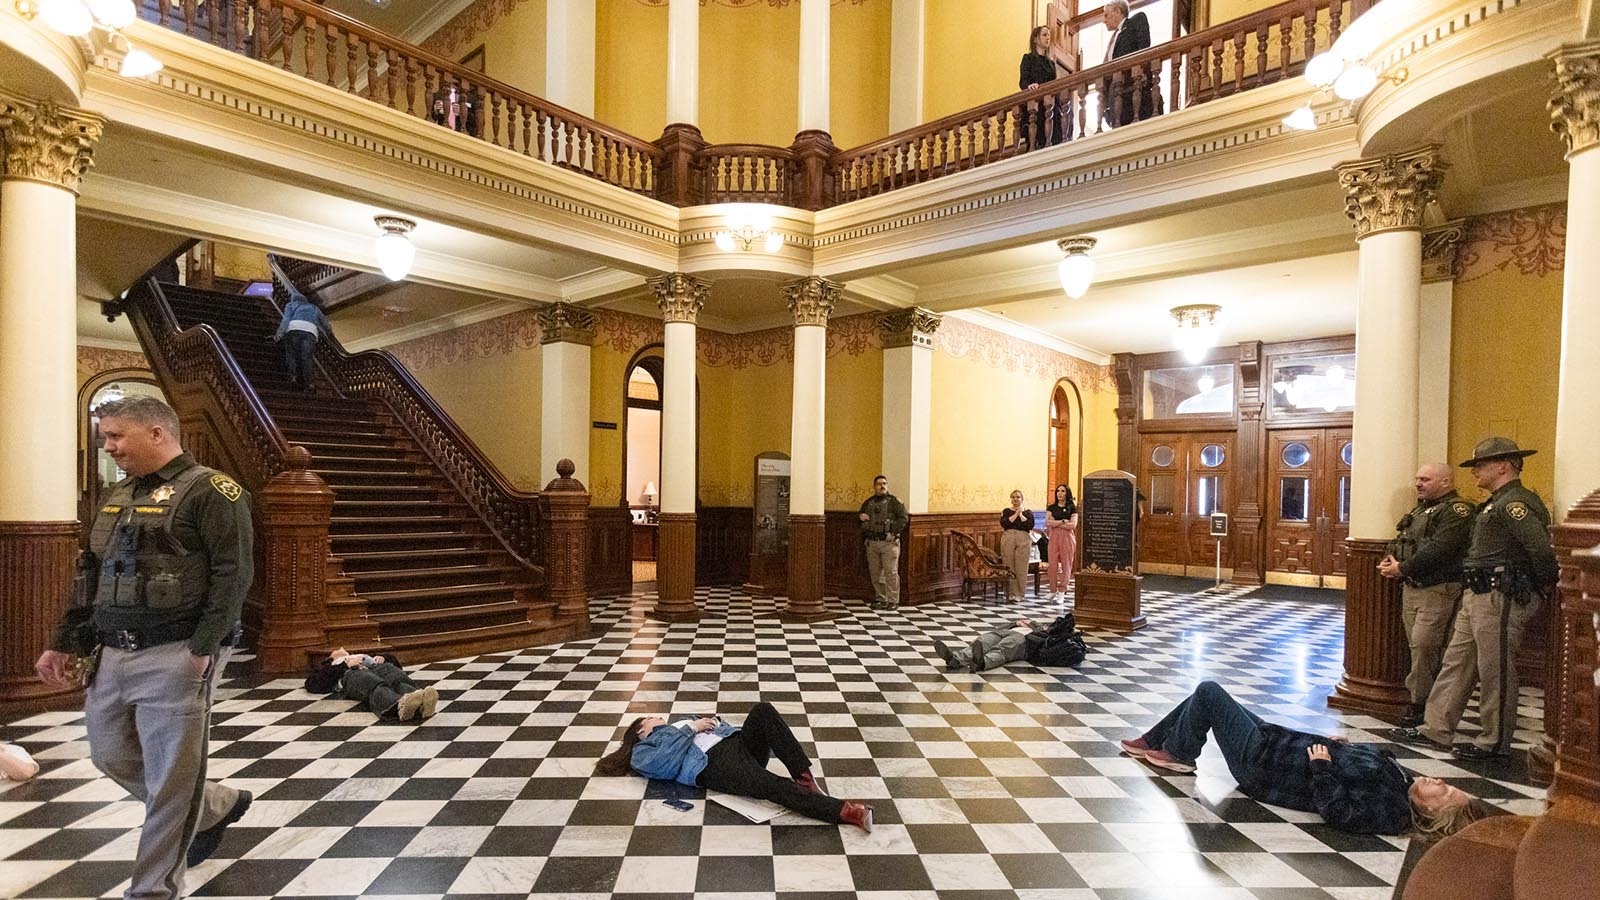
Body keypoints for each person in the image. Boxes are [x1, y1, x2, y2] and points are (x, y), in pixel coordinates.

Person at [34, 396, 255, 898]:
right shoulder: (119, 495)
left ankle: (154, 890)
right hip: (111, 652)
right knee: (109, 754)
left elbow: (233, 575)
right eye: (105, 437)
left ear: (157, 433)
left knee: (172, 780)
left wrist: (204, 648)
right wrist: (62, 642)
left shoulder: (213, 491)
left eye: (116, 436)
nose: (108, 447)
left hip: (176, 652)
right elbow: (89, 575)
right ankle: (215, 804)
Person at [1121, 681, 1486, 836]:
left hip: (1262, 764)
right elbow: (1360, 767)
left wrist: (1322, 766)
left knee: (1209, 692)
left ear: (1434, 815)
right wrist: (1339, 745)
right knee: (1209, 700)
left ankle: (1180, 753)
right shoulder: (1402, 785)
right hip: (1275, 742)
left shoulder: (1391, 810)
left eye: (1444, 792)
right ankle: (1156, 741)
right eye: (1446, 783)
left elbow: (1339, 812)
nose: (1439, 781)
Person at [1394, 437, 1558, 759]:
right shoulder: (1494, 502)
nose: (1475, 473)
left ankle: (1494, 742)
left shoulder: (1516, 503)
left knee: (1494, 670)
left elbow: (1541, 551)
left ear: (1503, 466)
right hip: (1478, 594)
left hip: (1501, 595)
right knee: (1456, 662)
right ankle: (1436, 728)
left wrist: (1542, 588)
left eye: (1480, 465)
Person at [593, 702, 875, 832]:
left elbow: (718, 729)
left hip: (735, 744)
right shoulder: (643, 750)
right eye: (651, 718)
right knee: (769, 786)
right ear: (641, 731)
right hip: (714, 765)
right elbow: (664, 765)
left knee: (762, 711)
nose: (657, 716)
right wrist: (692, 727)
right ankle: (846, 812)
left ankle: (803, 777)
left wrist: (716, 724)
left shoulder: (680, 720)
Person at [1376, 463, 1472, 726]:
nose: (1418, 483)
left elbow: (1441, 549)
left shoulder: (1457, 510)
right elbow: (1407, 541)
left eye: (1425, 479)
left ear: (1445, 481)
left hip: (1438, 589)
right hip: (1412, 586)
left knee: (1425, 647)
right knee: (1417, 647)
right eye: (1417, 478)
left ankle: (1422, 709)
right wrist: (1391, 561)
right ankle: (1421, 705)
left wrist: (1402, 568)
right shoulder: (1421, 509)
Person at [304, 648, 439, 721]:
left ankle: (418, 699)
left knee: (395, 675)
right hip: (352, 674)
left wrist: (384, 658)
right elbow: (312, 684)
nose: (341, 648)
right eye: (337, 651)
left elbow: (397, 665)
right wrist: (344, 665)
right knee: (371, 682)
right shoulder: (331, 665)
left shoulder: (363, 655)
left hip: (375, 667)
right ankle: (396, 705)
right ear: (331, 658)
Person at [933, 614, 1087, 672]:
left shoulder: (1040, 630)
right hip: (1004, 632)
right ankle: (955, 659)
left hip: (1024, 641)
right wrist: (1017, 623)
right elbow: (1001, 627)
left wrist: (1032, 625)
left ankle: (982, 663)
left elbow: (1049, 632)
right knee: (982, 641)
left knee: (1002, 649)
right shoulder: (1019, 623)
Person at [1100, 0, 1160, 128]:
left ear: (1118, 11)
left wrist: (1142, 71)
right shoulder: (1115, 36)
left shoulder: (1135, 22)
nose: (1103, 20)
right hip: (1115, 96)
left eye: (1106, 15)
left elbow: (1143, 46)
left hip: (1131, 90)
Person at [859, 474, 909, 610]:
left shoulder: (895, 502)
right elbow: (861, 517)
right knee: (875, 573)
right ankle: (880, 598)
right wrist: (860, 516)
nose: (882, 486)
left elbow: (903, 518)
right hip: (872, 542)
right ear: (874, 486)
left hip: (889, 544)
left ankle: (893, 600)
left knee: (891, 572)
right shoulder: (868, 502)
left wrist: (893, 533)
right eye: (879, 484)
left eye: (884, 483)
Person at [1019, 25, 1074, 148]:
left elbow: (1053, 82)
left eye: (1049, 35)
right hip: (1035, 104)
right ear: (1035, 39)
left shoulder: (1050, 63)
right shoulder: (1028, 58)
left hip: (1049, 103)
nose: (1048, 38)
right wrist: (1030, 86)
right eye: (1044, 35)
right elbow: (1023, 81)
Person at [272, 288, 330, 391]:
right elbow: (324, 323)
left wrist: (278, 335)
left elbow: (286, 320)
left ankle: (293, 377)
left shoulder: (290, 305)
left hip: (293, 329)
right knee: (307, 357)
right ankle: (310, 382)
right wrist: (329, 333)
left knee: (292, 355)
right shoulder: (313, 308)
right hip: (310, 331)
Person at [999, 489, 1036, 600]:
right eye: (1013, 497)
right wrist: (1016, 513)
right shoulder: (1006, 511)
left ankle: (1020, 594)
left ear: (1022, 499)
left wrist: (1021, 514)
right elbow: (1005, 523)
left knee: (1021, 566)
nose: (1015, 499)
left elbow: (1029, 525)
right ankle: (1010, 593)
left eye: (1018, 497)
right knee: (1009, 564)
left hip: (1023, 539)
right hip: (1009, 537)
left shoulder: (1028, 512)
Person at [1044, 483, 1079, 600]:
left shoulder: (1072, 508)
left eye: (1063, 491)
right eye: (1058, 491)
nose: (1060, 493)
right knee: (1052, 565)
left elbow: (1073, 525)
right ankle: (1052, 590)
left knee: (1066, 564)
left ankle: (1062, 591)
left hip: (1067, 538)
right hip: (1054, 537)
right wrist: (1063, 521)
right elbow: (1048, 522)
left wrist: (1056, 522)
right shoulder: (1051, 507)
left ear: (1067, 493)